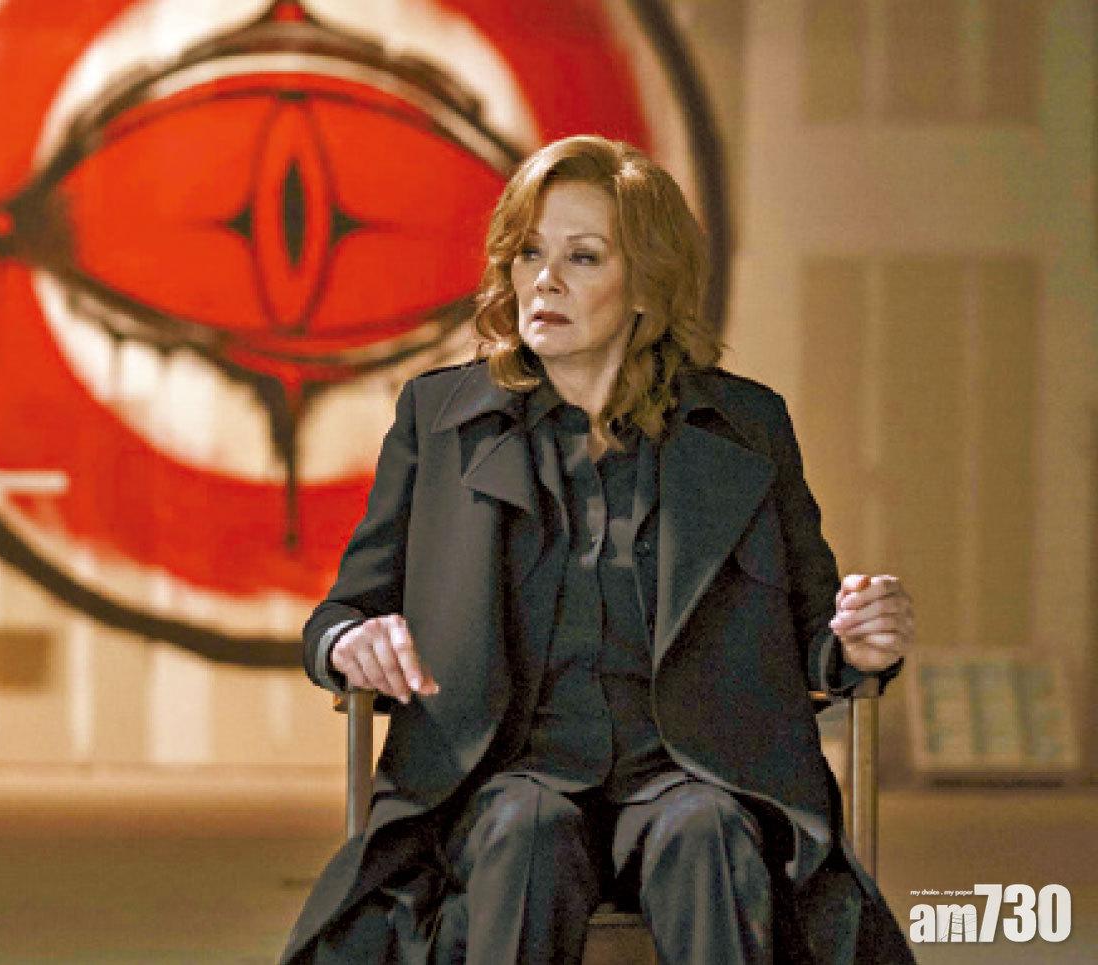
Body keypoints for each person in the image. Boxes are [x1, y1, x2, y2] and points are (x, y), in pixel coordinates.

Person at [279, 135, 916, 964]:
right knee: (525, 831)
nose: (543, 279)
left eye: (582, 257)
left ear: (646, 284)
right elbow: (342, 613)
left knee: (709, 835)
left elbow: (817, 633)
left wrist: (859, 645)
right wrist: (348, 641)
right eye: (529, 253)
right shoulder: (437, 420)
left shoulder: (747, 426)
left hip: (695, 774)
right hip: (502, 777)